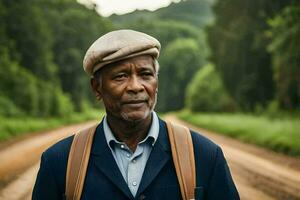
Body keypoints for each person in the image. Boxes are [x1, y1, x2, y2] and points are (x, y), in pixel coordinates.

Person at [32, 29, 239, 200]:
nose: (135, 87)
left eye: (145, 74)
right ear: (97, 88)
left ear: (156, 84)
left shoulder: (205, 155)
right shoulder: (59, 162)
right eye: (121, 76)